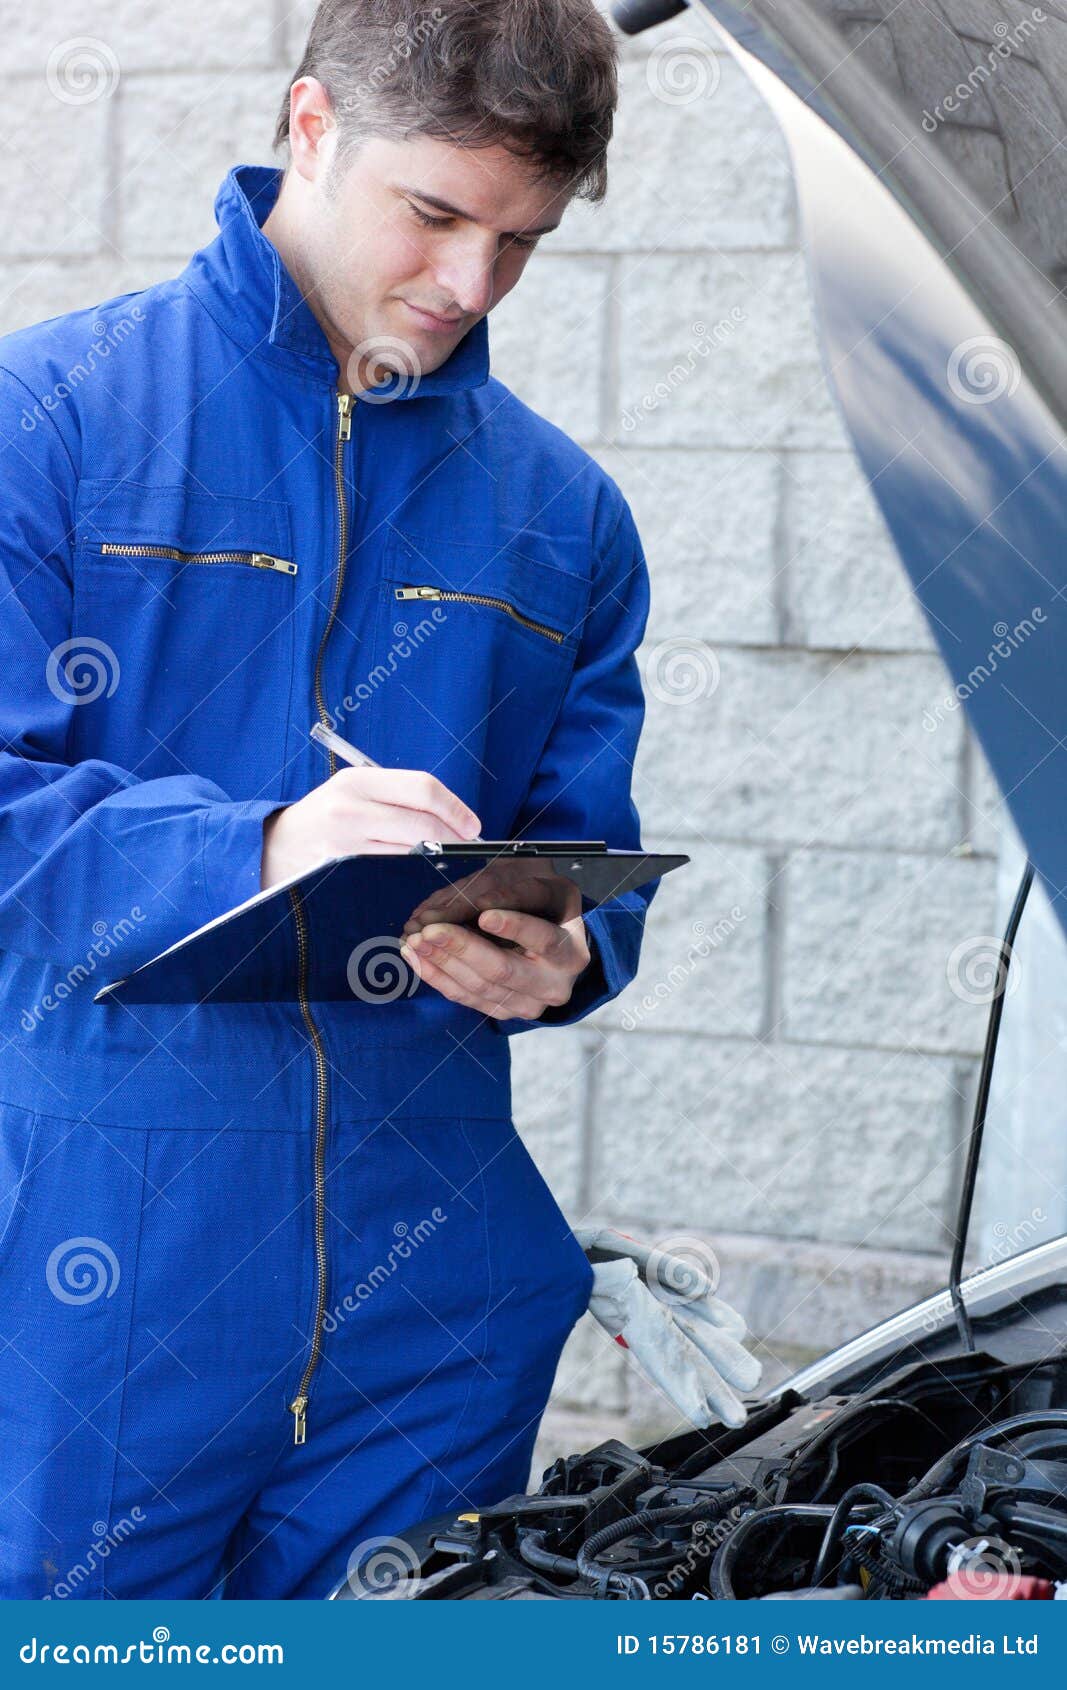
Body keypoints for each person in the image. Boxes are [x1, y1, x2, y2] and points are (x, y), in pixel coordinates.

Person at [0, 0, 754, 1600]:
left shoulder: (566, 517)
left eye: (522, 241)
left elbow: (581, 835)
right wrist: (255, 846)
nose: (472, 284)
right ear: (312, 125)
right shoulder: (48, 426)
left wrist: (564, 959)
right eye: (436, 214)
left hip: (436, 1295)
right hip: (95, 1260)